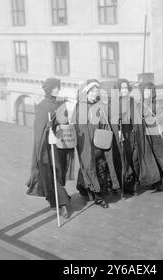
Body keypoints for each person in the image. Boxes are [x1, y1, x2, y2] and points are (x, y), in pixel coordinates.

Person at [26, 78, 74, 219]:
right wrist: (48, 132)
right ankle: (61, 202)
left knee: (56, 172)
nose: (57, 89)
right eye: (54, 88)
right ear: (48, 89)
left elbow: (65, 122)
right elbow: (38, 129)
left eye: (57, 87)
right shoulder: (42, 106)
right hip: (46, 147)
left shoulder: (60, 103)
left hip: (59, 144)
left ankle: (58, 201)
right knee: (49, 173)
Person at [72, 79, 120, 208]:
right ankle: (97, 197)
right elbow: (78, 128)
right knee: (90, 166)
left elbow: (104, 123)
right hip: (88, 145)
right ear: (86, 92)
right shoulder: (80, 108)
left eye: (96, 90)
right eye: (91, 91)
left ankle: (89, 188)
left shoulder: (99, 105)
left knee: (100, 167)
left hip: (100, 143)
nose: (94, 93)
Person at [132, 82, 163, 192]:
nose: (148, 93)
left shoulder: (155, 105)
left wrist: (160, 131)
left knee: (156, 156)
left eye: (150, 91)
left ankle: (157, 182)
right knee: (144, 156)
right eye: (146, 91)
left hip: (153, 132)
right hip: (142, 133)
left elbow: (160, 120)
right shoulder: (138, 104)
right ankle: (145, 178)